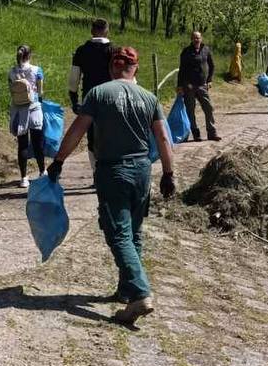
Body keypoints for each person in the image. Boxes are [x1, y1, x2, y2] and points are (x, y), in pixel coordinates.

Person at [47, 47, 176, 325]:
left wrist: (59, 160)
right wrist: (168, 172)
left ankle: (140, 293)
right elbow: (164, 138)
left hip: (112, 171)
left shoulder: (98, 94)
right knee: (135, 231)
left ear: (111, 68)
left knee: (118, 232)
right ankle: (126, 289)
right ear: (136, 69)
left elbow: (78, 130)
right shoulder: (149, 97)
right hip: (142, 170)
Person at [69, 18, 114, 183]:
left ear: (91, 31)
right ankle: (110, 172)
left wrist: (74, 100)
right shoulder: (114, 51)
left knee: (92, 138)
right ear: (107, 30)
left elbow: (74, 79)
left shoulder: (81, 51)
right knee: (111, 134)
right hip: (112, 98)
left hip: (89, 98)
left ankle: (96, 174)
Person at [8, 45, 46, 188]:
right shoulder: (37, 70)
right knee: (38, 143)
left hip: (18, 111)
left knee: (22, 144)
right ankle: (42, 172)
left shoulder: (11, 72)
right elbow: (40, 91)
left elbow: (11, 92)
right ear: (30, 55)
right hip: (34, 108)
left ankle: (23, 178)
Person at [177, 31, 221, 142]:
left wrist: (209, 80)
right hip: (189, 86)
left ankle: (212, 133)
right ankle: (196, 134)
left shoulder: (206, 50)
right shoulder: (186, 52)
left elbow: (212, 65)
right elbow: (182, 70)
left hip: (202, 85)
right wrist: (180, 86)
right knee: (190, 111)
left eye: (198, 38)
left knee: (208, 108)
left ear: (201, 38)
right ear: (191, 39)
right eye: (194, 38)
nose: (196, 40)